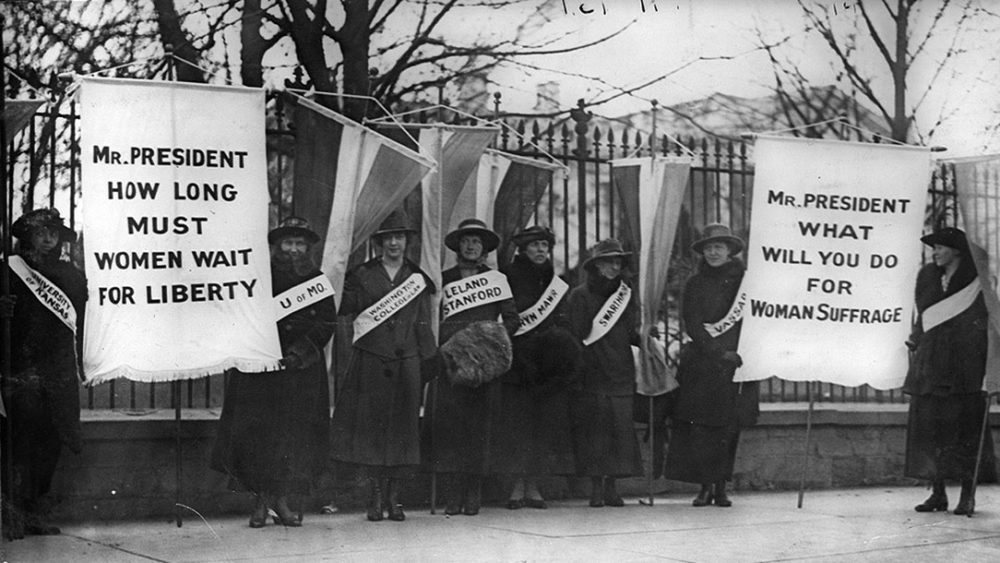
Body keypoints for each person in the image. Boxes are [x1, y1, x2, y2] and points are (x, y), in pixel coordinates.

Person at [211, 216, 336, 528]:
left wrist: (299, 351)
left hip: (300, 371)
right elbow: (243, 316)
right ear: (277, 246)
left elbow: (326, 323)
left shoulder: (318, 281)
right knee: (259, 437)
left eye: (299, 244)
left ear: (307, 248)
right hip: (262, 370)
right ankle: (260, 502)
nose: (293, 250)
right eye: (287, 243)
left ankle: (279, 500)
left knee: (293, 438)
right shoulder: (258, 278)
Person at [329, 210, 436, 522]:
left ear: (407, 241)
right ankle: (375, 497)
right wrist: (336, 275)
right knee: (373, 431)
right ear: (378, 242)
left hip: (407, 362)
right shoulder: (362, 275)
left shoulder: (416, 278)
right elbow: (344, 307)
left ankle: (395, 497)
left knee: (404, 431)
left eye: (399, 236)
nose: (393, 242)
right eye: (387, 237)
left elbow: (423, 323)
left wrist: (428, 361)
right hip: (372, 360)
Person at [0, 208, 85, 540]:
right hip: (22, 369)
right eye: (41, 232)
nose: (48, 238)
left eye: (54, 232)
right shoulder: (8, 269)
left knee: (51, 443)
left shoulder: (72, 275)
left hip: (58, 369)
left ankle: (34, 512)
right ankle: (13, 513)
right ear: (28, 236)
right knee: (19, 442)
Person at [424, 218, 519, 516]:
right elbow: (431, 318)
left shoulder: (497, 280)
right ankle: (452, 494)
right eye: (466, 240)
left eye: (476, 241)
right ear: (458, 246)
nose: (470, 245)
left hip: (482, 368)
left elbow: (512, 320)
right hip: (451, 365)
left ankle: (473, 491)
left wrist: (486, 343)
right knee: (451, 429)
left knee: (479, 430)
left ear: (484, 249)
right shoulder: (444, 279)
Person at [664, 223, 758, 507]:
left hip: (737, 364)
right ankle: (705, 486)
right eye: (708, 248)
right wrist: (717, 352)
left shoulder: (747, 282)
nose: (713, 252)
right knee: (701, 429)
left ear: (730, 250)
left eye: (719, 247)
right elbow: (692, 322)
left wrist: (740, 353)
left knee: (728, 429)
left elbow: (754, 320)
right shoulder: (695, 283)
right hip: (703, 364)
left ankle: (721, 486)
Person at [904, 227, 996, 515]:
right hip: (930, 366)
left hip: (964, 367)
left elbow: (988, 321)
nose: (935, 253)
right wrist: (917, 339)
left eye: (940, 247)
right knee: (930, 432)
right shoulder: (927, 277)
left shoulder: (978, 282)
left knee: (964, 432)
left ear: (957, 250)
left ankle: (967, 496)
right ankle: (938, 494)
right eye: (933, 248)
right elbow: (924, 315)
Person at [492, 226, 580, 510]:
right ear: (523, 249)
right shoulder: (508, 276)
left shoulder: (554, 280)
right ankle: (517, 486)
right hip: (518, 361)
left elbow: (562, 317)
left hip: (546, 363)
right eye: (535, 245)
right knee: (518, 426)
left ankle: (534, 485)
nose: (541, 250)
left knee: (542, 427)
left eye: (544, 245)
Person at [566, 238, 642, 507]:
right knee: (595, 432)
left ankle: (612, 485)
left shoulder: (626, 294)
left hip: (620, 368)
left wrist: (646, 339)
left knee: (619, 431)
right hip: (592, 371)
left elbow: (631, 331)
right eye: (608, 261)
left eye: (618, 261)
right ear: (596, 265)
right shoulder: (579, 295)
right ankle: (596, 486)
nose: (614, 266)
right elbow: (575, 336)